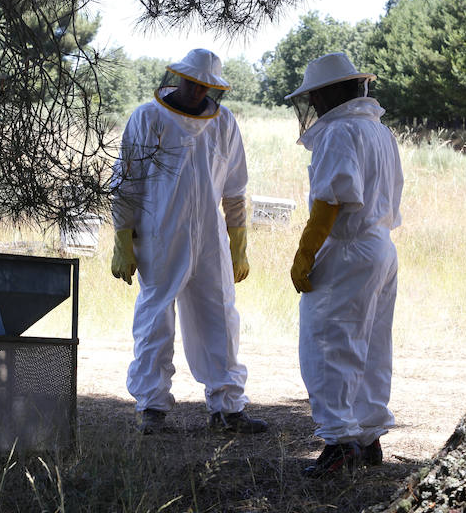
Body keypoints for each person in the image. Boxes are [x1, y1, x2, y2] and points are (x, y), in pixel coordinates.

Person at [110, 48, 267, 435]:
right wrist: (122, 240)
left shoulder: (224, 121)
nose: (198, 92)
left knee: (221, 316)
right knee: (156, 319)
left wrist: (238, 241)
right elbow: (126, 184)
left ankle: (228, 409)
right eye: (193, 83)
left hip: (211, 239)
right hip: (159, 234)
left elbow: (235, 189)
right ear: (177, 77)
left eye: (206, 86)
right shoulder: (147, 118)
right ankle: (152, 408)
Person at [285, 52, 403, 476]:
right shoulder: (380, 132)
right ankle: (368, 438)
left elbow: (331, 198)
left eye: (315, 97)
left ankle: (340, 444)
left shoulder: (338, 132)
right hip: (381, 249)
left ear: (333, 93)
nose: (312, 106)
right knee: (370, 345)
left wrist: (306, 251)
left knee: (327, 343)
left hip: (349, 249)